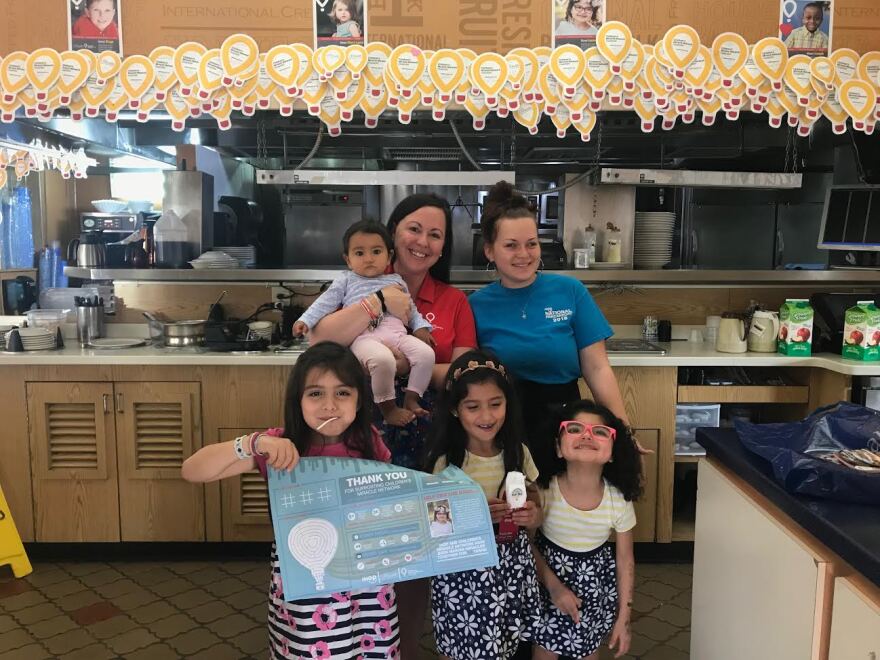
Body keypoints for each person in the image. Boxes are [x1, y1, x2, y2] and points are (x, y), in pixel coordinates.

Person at [307, 194, 476, 659]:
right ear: (392, 232)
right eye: (414, 229)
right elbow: (320, 345)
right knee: (361, 547)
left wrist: (402, 363)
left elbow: (462, 373)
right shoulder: (353, 285)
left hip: (427, 432)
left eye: (435, 235)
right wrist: (379, 301)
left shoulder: (453, 300)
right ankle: (357, 646)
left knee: (420, 552)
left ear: (443, 249)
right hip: (363, 433)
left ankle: (406, 647)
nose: (423, 241)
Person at [181, 342, 399, 659]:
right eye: (315, 393)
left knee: (373, 651)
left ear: (359, 399)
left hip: (369, 586)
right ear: (297, 401)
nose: (329, 405)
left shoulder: (370, 442)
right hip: (307, 583)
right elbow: (192, 471)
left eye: (342, 393)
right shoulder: (280, 446)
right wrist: (251, 444)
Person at [469, 180, 633, 478]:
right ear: (489, 251)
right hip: (504, 428)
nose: (524, 254)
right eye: (511, 245)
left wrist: (621, 431)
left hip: (565, 427)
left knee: (563, 512)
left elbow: (597, 369)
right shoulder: (475, 305)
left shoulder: (570, 291)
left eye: (531, 243)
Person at [424, 350, 544, 660]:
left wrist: (532, 515)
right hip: (462, 574)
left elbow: (534, 501)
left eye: (496, 404)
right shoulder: (446, 463)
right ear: (454, 410)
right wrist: (474, 516)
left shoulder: (518, 453)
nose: (487, 417)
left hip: (511, 568)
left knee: (509, 641)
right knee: (460, 643)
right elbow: (434, 526)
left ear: (508, 403)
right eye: (473, 407)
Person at [294, 220, 436, 427]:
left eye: (376, 251)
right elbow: (324, 302)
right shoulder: (346, 280)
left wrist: (421, 327)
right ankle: (388, 409)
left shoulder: (396, 281)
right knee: (382, 360)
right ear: (348, 259)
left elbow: (411, 309)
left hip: (398, 336)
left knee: (426, 355)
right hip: (364, 338)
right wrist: (304, 320)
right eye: (359, 253)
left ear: (389, 256)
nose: (369, 259)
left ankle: (411, 399)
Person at [532, 400, 641, 660]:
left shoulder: (618, 501)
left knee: (587, 653)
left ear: (613, 452)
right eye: (575, 429)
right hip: (546, 586)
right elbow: (525, 544)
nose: (587, 435)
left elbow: (625, 561)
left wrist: (624, 620)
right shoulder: (543, 491)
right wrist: (555, 587)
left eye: (600, 432)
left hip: (594, 592)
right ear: (558, 447)